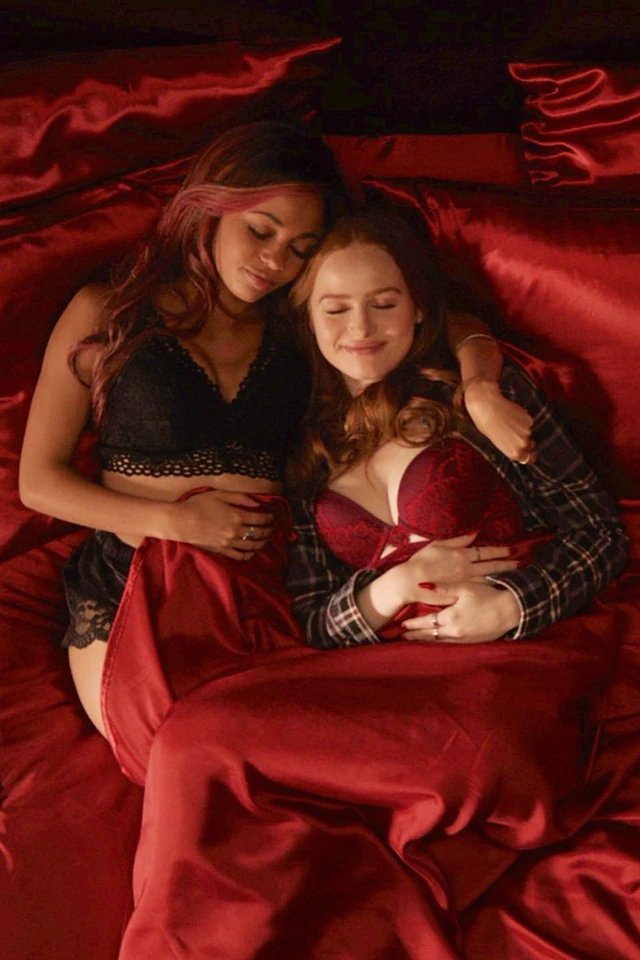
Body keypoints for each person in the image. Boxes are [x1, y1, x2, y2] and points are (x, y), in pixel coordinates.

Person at [100, 211, 627, 958]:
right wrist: (388, 590)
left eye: (384, 302)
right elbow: (315, 619)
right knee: (193, 737)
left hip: (510, 674)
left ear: (418, 310)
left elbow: (600, 532)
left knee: (469, 748)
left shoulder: (483, 396)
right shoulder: (304, 449)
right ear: (307, 320)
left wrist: (510, 607)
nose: (362, 327)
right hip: (388, 679)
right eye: (336, 308)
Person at [19, 119, 531, 740]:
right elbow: (37, 482)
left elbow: (442, 321)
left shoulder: (300, 329)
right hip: (134, 579)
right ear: (210, 208)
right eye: (261, 232)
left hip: (263, 590)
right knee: (174, 747)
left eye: (300, 249)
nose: (274, 261)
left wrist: (479, 386)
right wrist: (176, 522)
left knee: (276, 755)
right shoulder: (108, 311)